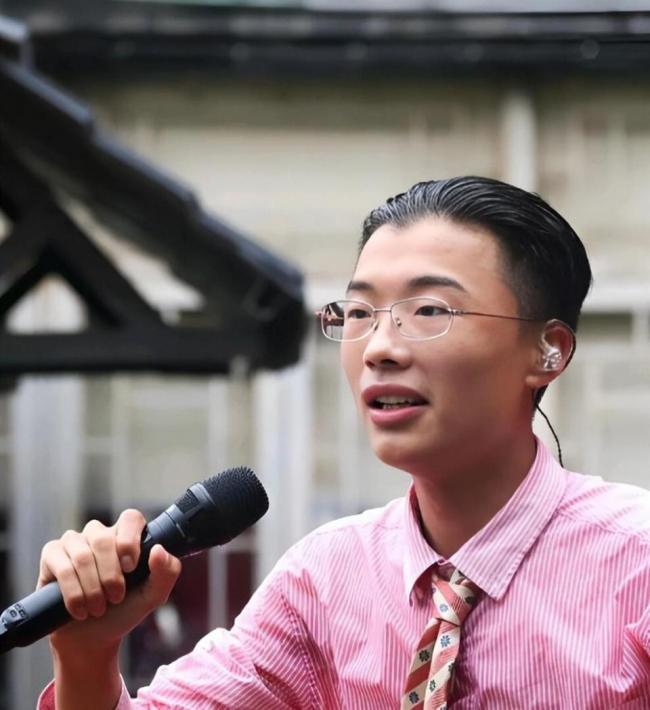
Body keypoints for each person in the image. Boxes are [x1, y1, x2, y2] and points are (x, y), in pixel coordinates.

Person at [38, 177, 650, 709]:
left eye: (431, 310)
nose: (380, 347)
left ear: (548, 350)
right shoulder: (326, 579)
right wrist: (86, 655)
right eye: (358, 313)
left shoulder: (636, 564)